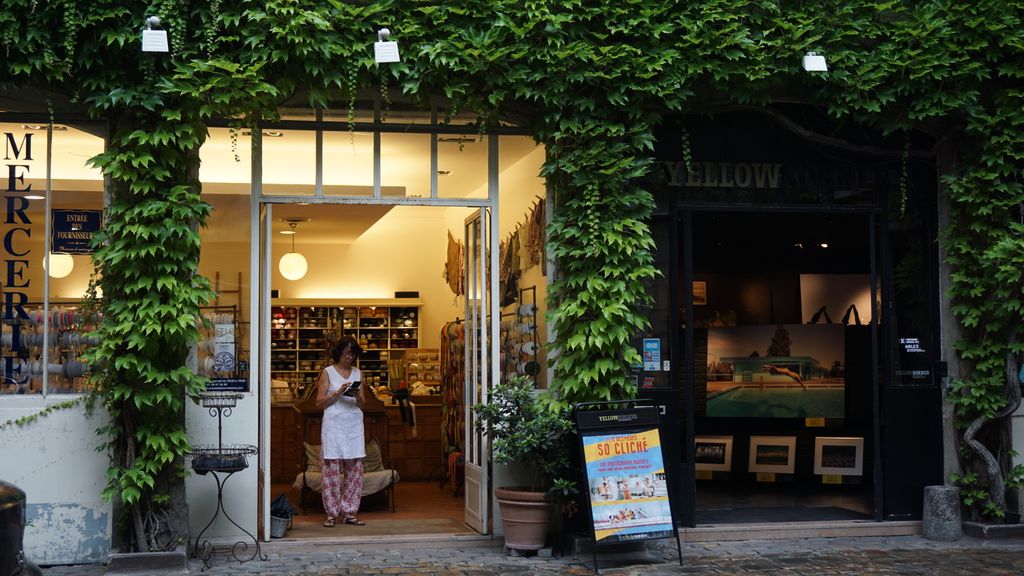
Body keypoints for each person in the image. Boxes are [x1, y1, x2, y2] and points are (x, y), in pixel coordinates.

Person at [315, 335, 367, 527]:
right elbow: (319, 403)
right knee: (331, 470)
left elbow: (363, 404)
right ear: (339, 353)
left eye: (353, 354)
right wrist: (337, 393)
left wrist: (356, 396)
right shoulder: (327, 372)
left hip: (353, 425)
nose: (349, 357)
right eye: (346, 353)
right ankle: (331, 513)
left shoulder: (358, 373)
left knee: (354, 471)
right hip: (334, 426)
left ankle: (350, 512)